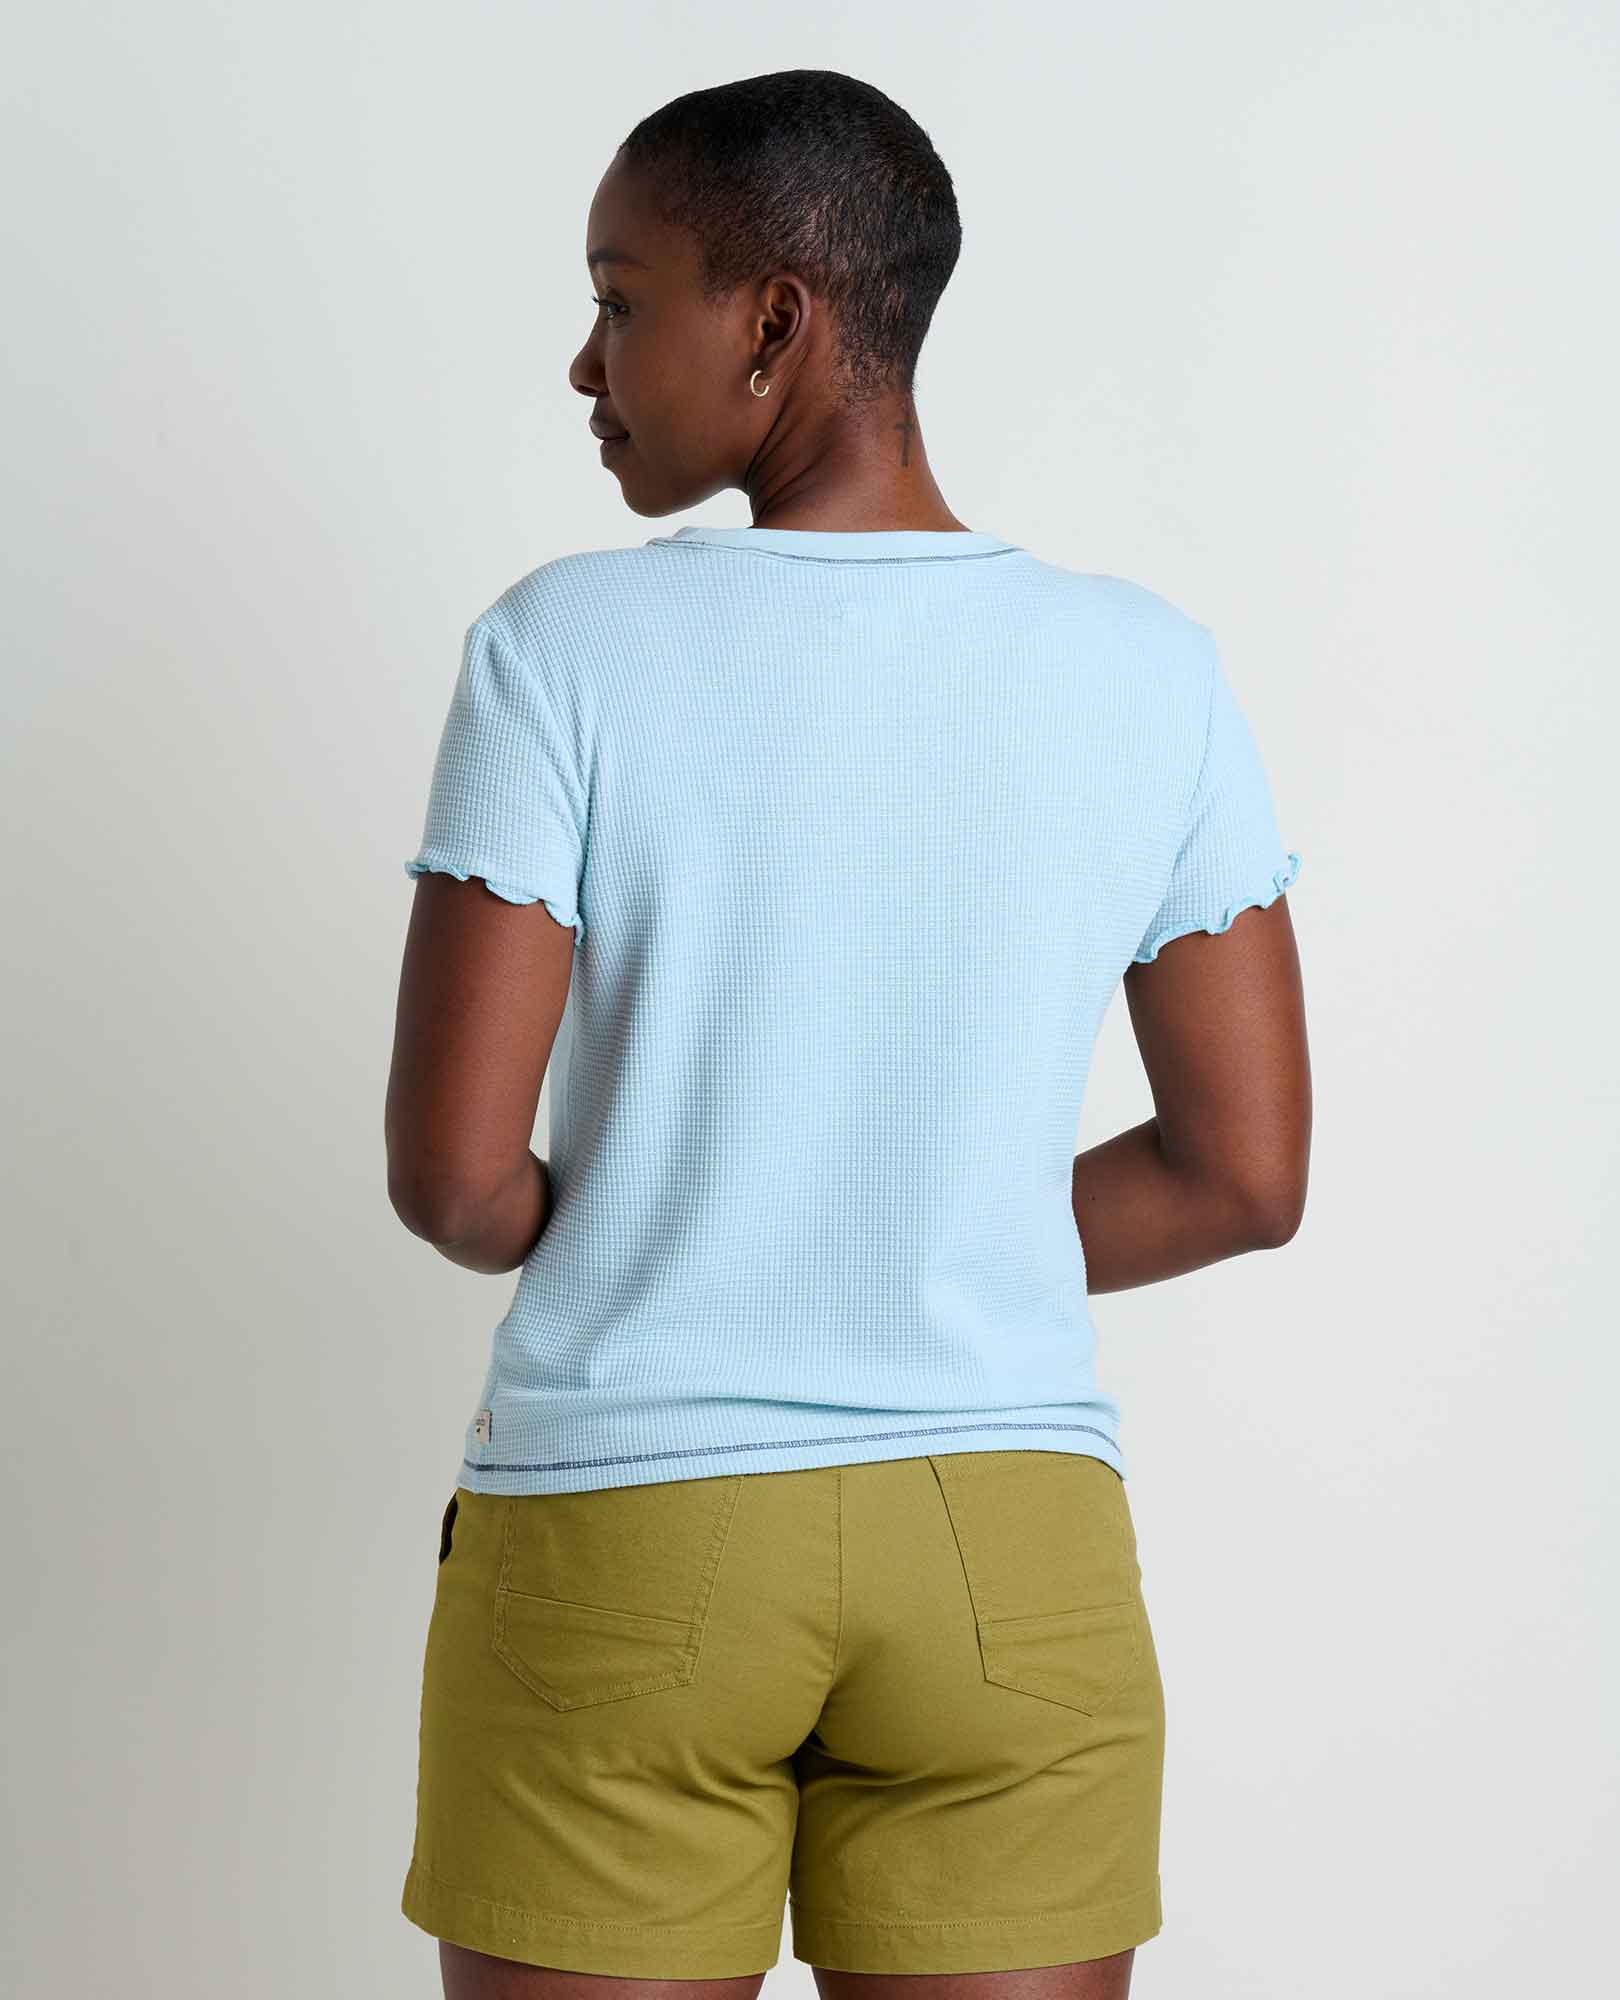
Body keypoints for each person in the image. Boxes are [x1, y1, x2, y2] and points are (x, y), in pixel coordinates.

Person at [386, 67, 1310, 2000]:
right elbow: (1244, 1173)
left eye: (621, 300)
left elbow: (458, 1184)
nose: (586, 363)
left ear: (777, 319)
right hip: (1008, 1557)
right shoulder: (1149, 672)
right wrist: (932, 1235)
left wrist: (667, 1224)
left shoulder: (563, 648)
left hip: (634, 1532)